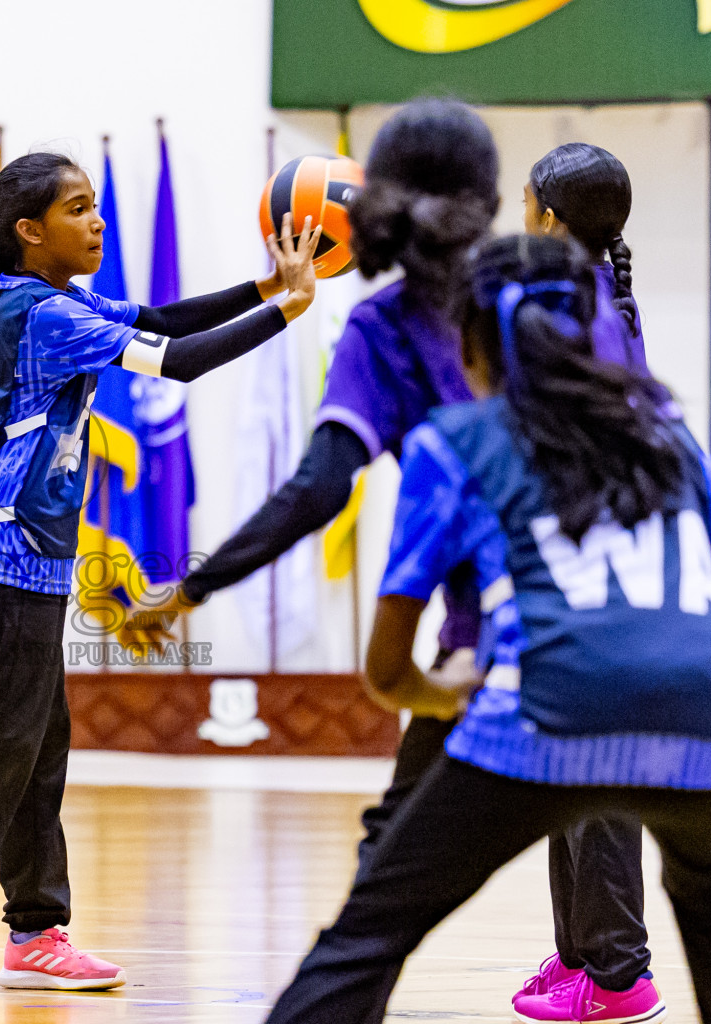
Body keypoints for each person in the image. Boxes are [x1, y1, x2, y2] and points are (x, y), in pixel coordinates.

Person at [265, 231, 711, 1024]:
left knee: (368, 933)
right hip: (709, 725)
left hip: (546, 714)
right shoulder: (668, 436)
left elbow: (387, 673)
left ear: (473, 344)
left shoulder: (456, 442)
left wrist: (447, 689)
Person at [0, 151, 322, 997]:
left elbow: (162, 318)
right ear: (30, 233)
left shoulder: (57, 301)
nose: (97, 221)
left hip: (27, 551)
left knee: (36, 744)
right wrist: (286, 312)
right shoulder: (38, 314)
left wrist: (263, 289)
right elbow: (174, 360)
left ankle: (36, 931)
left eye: (97, 206)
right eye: (78, 209)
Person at [144, 97, 501, 873]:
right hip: (643, 609)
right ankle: (611, 972)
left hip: (502, 631)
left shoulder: (387, 327)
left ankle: (605, 968)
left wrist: (192, 587)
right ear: (492, 202)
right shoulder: (560, 297)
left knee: (394, 858)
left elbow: (319, 488)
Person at [512, 142, 711, 1023]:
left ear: (545, 217)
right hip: (631, 614)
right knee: (591, 793)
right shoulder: (582, 311)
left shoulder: (573, 331)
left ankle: (614, 970)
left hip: (642, 619)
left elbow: (697, 490)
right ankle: (590, 957)